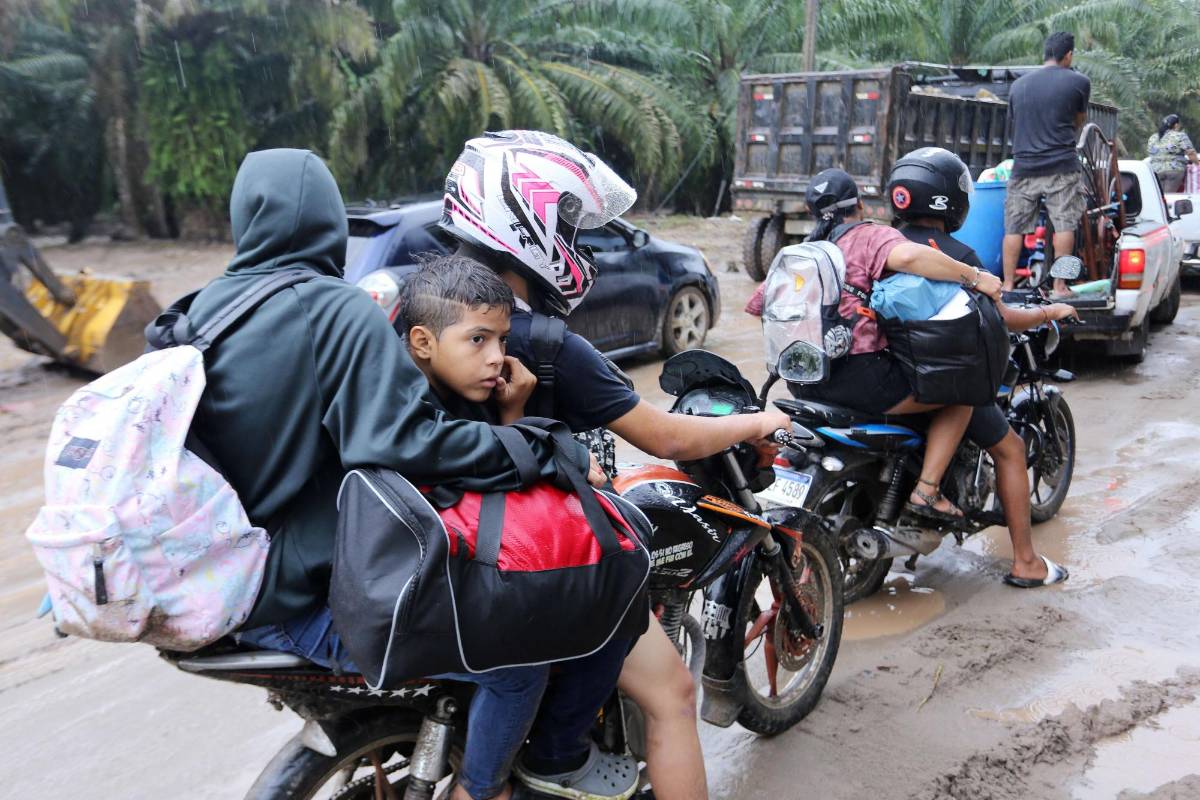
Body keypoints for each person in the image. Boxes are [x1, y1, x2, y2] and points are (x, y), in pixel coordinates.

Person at [166, 148, 619, 800]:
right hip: (305, 599)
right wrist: (543, 451)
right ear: (327, 219)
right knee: (520, 662)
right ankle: (483, 789)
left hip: (223, 588)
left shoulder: (207, 309)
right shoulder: (333, 307)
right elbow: (411, 444)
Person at [439, 130, 793, 800]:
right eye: (568, 224)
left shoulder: (407, 311)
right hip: (512, 566)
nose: (575, 245)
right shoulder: (544, 344)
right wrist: (758, 420)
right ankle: (556, 759)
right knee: (672, 691)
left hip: (430, 553)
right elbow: (667, 439)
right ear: (527, 221)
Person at [397, 256, 642, 800]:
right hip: (441, 586)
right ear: (422, 341)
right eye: (479, 340)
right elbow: (493, 487)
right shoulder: (424, 415)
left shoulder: (435, 392)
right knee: (608, 620)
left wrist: (514, 414)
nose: (496, 358)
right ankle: (526, 769)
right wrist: (535, 436)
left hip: (444, 572)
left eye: (502, 341)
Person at [748, 168, 1003, 523]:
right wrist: (978, 277)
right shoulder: (869, 236)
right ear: (861, 205)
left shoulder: (801, 252)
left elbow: (758, 306)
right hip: (862, 379)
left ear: (811, 212)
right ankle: (926, 490)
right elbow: (912, 258)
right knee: (962, 394)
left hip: (805, 381)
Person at [886, 147, 1073, 586]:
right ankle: (1025, 562)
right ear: (952, 200)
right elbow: (1003, 316)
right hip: (936, 380)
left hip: (887, 375)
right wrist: (1053, 312)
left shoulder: (884, 243)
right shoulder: (959, 255)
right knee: (1009, 449)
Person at [1001, 31, 1092, 296]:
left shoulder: (1018, 86)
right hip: (1061, 166)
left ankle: (1007, 284)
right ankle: (1060, 286)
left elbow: (1015, 122)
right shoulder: (1079, 82)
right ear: (1069, 55)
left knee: (1014, 227)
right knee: (1064, 225)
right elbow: (1078, 121)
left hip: (1024, 168)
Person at [1147, 113, 1199, 193]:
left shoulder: (1153, 137)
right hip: (1174, 171)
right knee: (1168, 196)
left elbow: (1151, 153)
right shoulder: (1180, 136)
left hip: (1156, 171)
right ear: (1176, 125)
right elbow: (1190, 153)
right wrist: (1198, 164)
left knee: (1159, 196)